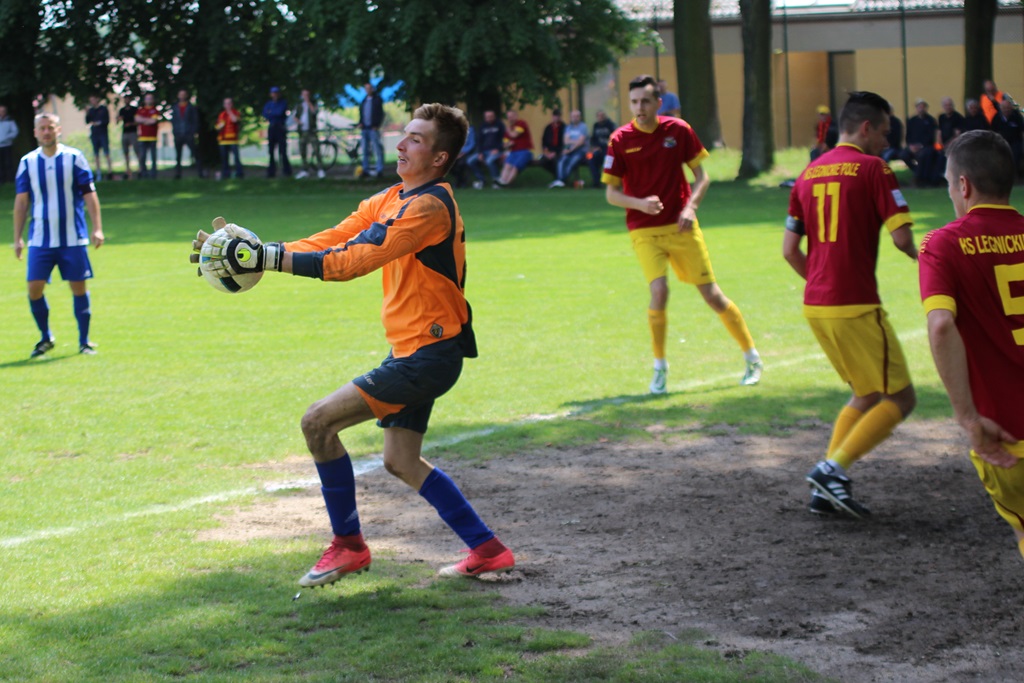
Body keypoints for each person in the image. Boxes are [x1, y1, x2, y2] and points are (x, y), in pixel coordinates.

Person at [190, 103, 515, 584]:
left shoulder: (428, 207)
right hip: (416, 350)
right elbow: (334, 239)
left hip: (428, 356)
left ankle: (348, 546)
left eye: (416, 139)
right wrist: (257, 254)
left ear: (439, 158)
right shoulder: (393, 197)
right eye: (404, 134)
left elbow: (351, 261)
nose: (401, 144)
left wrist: (264, 258)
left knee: (318, 423)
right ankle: (488, 550)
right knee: (400, 460)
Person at [783, 91, 918, 519]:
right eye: (884, 132)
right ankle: (831, 469)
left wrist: (822, 281)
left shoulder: (807, 174)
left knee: (866, 392)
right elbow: (901, 238)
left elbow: (789, 250)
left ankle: (825, 489)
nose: (886, 141)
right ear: (865, 128)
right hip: (855, 305)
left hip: (816, 305)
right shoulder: (875, 169)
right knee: (902, 398)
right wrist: (928, 259)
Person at [603, 74, 762, 393]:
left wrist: (690, 208)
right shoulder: (619, 140)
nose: (639, 107)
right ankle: (659, 367)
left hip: (681, 226)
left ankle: (752, 357)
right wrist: (640, 204)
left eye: (645, 101)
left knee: (712, 296)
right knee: (659, 291)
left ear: (658, 103)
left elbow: (703, 177)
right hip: (644, 231)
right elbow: (611, 194)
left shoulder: (678, 131)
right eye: (634, 102)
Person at [918, 129, 1024, 560]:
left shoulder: (943, 244)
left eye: (948, 184)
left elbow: (941, 325)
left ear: (964, 185)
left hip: (1008, 434)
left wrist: (967, 418)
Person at [13, 113, 104, 357]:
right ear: (35, 132)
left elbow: (90, 195)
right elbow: (21, 202)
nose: (46, 132)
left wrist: (97, 228)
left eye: (50, 127)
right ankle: (45, 337)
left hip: (72, 238)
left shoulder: (74, 158)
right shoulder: (28, 162)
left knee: (78, 288)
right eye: (42, 128)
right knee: (34, 288)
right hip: (40, 239)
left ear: (58, 130)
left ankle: (84, 341)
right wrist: (17, 237)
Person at [902, 98, 940, 187]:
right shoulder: (912, 120)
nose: (921, 109)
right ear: (916, 108)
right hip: (912, 146)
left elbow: (931, 136)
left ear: (926, 108)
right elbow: (908, 135)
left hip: (927, 146)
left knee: (923, 155)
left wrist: (921, 146)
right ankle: (917, 172)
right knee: (903, 155)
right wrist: (910, 145)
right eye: (919, 107)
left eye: (923, 107)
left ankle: (919, 178)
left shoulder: (931, 120)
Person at [467, 110, 504, 189]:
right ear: (485, 118)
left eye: (491, 116)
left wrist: (498, 148)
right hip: (484, 151)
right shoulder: (482, 126)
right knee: (470, 161)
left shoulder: (500, 125)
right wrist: (480, 153)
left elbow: (503, 138)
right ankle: (481, 179)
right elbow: (479, 141)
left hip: (497, 151)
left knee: (489, 161)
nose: (489, 118)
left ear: (494, 116)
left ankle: (496, 181)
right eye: (487, 117)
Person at [550, 109, 588, 188]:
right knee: (561, 160)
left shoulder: (583, 127)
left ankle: (562, 180)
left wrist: (571, 147)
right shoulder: (568, 127)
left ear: (580, 117)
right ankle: (560, 180)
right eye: (573, 116)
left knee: (571, 162)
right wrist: (566, 149)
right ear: (571, 117)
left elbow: (581, 142)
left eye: (577, 116)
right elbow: (566, 141)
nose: (575, 118)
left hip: (580, 151)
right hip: (569, 150)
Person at [496, 109, 533, 187]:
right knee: (507, 165)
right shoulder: (509, 129)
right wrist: (508, 144)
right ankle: (501, 182)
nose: (510, 119)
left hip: (524, 151)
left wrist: (509, 131)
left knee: (515, 167)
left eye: (511, 116)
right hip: (513, 152)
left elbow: (514, 135)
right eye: (508, 117)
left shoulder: (521, 123)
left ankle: (507, 183)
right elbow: (505, 145)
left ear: (516, 116)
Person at [171, 89, 202, 179]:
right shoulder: (175, 107)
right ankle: (178, 174)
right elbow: (173, 120)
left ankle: (200, 173)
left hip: (189, 134)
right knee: (178, 155)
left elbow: (195, 120)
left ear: (186, 96)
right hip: (178, 134)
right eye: (180, 94)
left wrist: (193, 132)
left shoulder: (191, 107)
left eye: (184, 94)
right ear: (178, 96)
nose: (182, 96)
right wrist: (175, 131)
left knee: (195, 153)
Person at [293, 89, 324, 179]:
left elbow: (314, 112)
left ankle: (320, 169)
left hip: (312, 131)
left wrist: (309, 103)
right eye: (304, 95)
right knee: (303, 150)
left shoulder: (313, 104)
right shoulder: (299, 106)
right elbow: (295, 116)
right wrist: (299, 122)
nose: (305, 97)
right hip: (303, 131)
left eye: (307, 95)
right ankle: (304, 170)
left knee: (316, 149)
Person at [262, 86, 292, 178]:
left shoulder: (283, 103)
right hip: (272, 128)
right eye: (273, 93)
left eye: (276, 93)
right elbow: (265, 114)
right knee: (271, 150)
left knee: (282, 150)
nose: (274, 95)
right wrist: (272, 114)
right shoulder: (269, 104)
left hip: (280, 128)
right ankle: (271, 172)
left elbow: (279, 113)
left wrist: (271, 113)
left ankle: (286, 171)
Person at [990, 98, 1024, 178]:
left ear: (1011, 108)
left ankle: (1015, 175)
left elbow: (1022, 130)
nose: (1006, 110)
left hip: (1015, 141)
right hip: (1001, 142)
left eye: (1008, 107)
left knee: (1015, 155)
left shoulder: (1017, 116)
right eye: (1004, 108)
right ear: (1001, 108)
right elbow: (992, 131)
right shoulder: (996, 117)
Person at [358, 82, 385, 178]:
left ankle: (379, 169)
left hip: (373, 128)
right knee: (365, 150)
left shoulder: (377, 100)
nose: (368, 90)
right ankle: (365, 169)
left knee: (377, 149)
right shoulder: (364, 100)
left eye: (369, 88)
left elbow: (381, 113)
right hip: (365, 128)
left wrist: (377, 125)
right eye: (366, 88)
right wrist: (361, 123)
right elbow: (362, 114)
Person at [85, 96, 113, 181]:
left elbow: (107, 121)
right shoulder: (91, 110)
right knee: (96, 154)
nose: (92, 101)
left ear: (97, 99)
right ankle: (98, 173)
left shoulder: (103, 109)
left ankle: (110, 172)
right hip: (94, 134)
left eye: (93, 99)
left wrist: (99, 123)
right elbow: (87, 121)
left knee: (106, 153)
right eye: (91, 100)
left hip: (103, 134)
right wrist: (87, 113)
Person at [215, 97, 244, 180]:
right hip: (223, 140)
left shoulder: (236, 112)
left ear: (232, 104)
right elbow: (217, 127)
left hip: (233, 140)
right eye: (226, 103)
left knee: (236, 158)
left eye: (229, 103)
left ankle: (239, 173)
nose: (227, 105)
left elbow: (235, 120)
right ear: (224, 105)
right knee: (224, 158)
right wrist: (220, 125)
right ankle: (226, 174)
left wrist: (230, 112)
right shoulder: (222, 115)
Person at [587, 109, 616, 188]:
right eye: (599, 116)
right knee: (591, 159)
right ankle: (596, 182)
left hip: (609, 149)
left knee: (607, 162)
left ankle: (609, 182)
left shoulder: (610, 125)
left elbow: (615, 137)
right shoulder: (596, 125)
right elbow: (593, 139)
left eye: (602, 115)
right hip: (598, 149)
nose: (601, 117)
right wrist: (595, 147)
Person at [135, 93, 161, 179]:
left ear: (153, 100)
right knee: (142, 156)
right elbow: (137, 119)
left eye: (150, 98)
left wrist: (143, 120)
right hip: (142, 137)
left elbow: (153, 121)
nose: (148, 100)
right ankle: (144, 174)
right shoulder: (140, 110)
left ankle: (153, 174)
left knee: (153, 157)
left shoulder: (155, 110)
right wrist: (148, 120)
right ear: (144, 100)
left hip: (152, 137)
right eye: (147, 98)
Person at [117, 97, 140, 180]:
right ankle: (127, 170)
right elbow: (118, 120)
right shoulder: (122, 110)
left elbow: (138, 121)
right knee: (126, 152)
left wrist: (130, 124)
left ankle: (140, 168)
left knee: (137, 150)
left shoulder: (134, 109)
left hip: (133, 132)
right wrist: (119, 119)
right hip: (125, 133)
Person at [538, 109, 564, 180]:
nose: (556, 118)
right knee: (543, 161)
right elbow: (544, 141)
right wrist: (546, 151)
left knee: (556, 160)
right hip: (549, 151)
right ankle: (557, 175)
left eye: (558, 116)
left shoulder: (564, 127)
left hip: (559, 151)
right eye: (555, 116)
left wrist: (556, 152)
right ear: (552, 116)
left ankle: (560, 178)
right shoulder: (548, 128)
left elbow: (564, 143)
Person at [450, 123, 475, 189]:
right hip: (455, 153)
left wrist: (463, 152)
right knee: (449, 165)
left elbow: (472, 143)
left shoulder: (470, 130)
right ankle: (460, 180)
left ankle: (462, 182)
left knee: (461, 164)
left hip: (466, 153)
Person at [0, 105, 18, 184]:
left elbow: (15, 131)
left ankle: (10, 179)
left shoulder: (10, 120)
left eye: (3, 111)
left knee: (8, 163)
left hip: (7, 145)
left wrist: (6, 138)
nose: (2, 113)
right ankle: (2, 180)